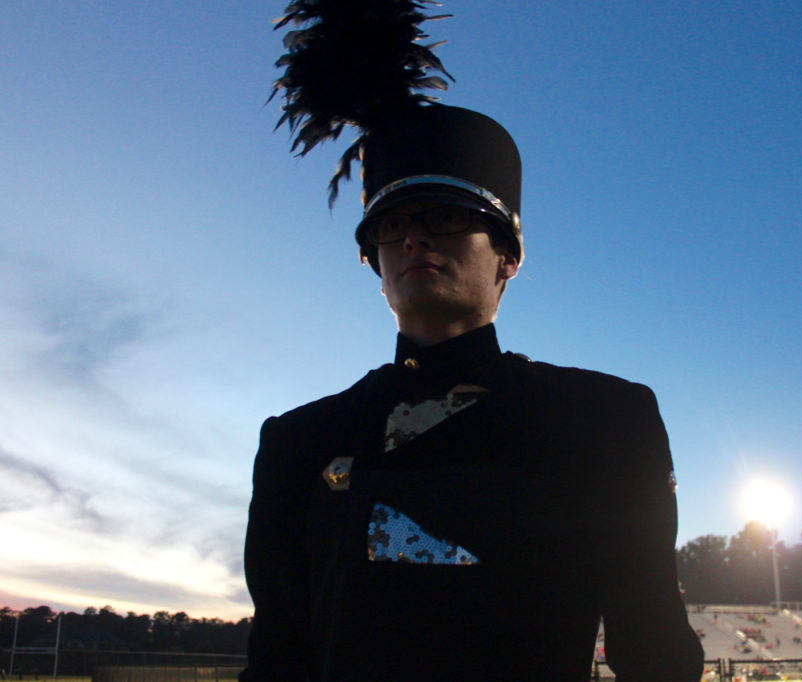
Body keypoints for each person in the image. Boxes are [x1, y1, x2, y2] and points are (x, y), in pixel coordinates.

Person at [240, 104, 704, 681]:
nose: (413, 237)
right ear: (374, 262)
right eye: (392, 224)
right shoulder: (298, 441)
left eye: (446, 217)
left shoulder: (605, 419)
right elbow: (278, 660)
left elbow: (656, 651)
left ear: (507, 256)